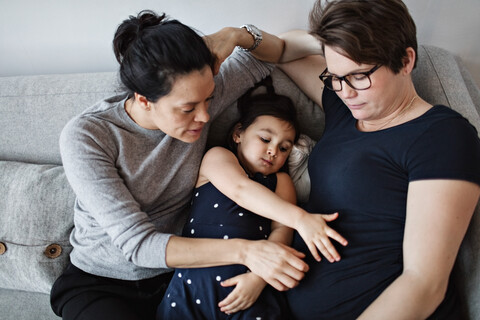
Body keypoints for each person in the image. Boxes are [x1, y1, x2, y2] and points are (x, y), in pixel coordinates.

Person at [49, 10, 309, 320]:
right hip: (103, 283)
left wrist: (236, 35)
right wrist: (249, 252)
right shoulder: (88, 136)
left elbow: (276, 53)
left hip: (178, 277)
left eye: (209, 100)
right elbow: (139, 246)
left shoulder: (199, 92)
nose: (204, 117)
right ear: (144, 100)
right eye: (187, 109)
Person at [277, 0, 480, 319]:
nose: (345, 91)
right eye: (334, 76)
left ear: (405, 59)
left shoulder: (442, 135)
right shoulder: (344, 109)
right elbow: (279, 50)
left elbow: (424, 284)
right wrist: (325, 43)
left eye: (359, 76)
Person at [156, 78, 347, 319]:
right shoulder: (218, 156)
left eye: (284, 147)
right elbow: (240, 189)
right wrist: (302, 219)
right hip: (194, 282)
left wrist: (259, 278)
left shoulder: (281, 181)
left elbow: (282, 231)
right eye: (265, 139)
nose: (273, 151)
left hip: (250, 284)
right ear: (238, 133)